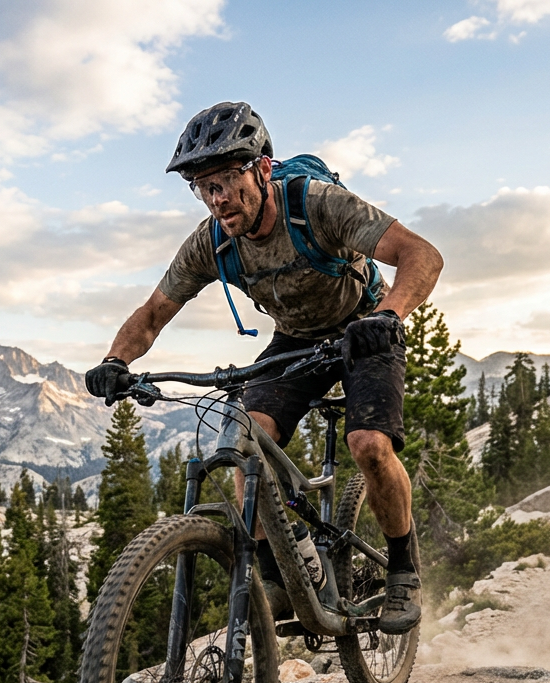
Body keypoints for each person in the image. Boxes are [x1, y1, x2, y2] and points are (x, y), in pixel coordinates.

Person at [85, 102, 443, 634]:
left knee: (368, 445)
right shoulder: (212, 241)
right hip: (295, 338)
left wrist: (389, 314)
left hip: (364, 328)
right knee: (244, 443)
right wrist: (117, 360)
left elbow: (422, 254)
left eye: (229, 179)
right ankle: (285, 571)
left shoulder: (318, 206)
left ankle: (402, 569)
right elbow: (155, 312)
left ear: (264, 170)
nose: (218, 197)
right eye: (204, 187)